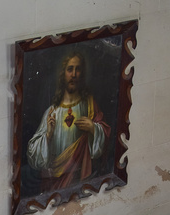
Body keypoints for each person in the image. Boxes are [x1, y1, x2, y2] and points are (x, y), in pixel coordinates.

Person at [27, 50, 109, 192]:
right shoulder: (52, 112)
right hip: (56, 183)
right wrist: (48, 136)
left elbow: (106, 137)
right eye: (70, 69)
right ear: (63, 74)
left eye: (78, 69)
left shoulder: (89, 105)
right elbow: (33, 156)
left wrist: (94, 129)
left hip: (82, 179)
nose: (74, 74)